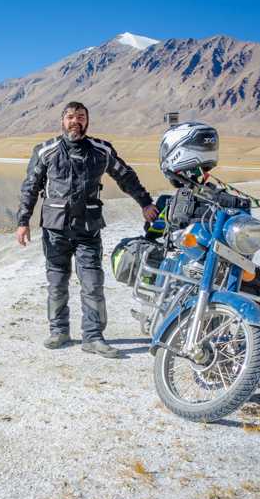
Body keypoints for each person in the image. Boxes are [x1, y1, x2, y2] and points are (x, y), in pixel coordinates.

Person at [16, 102, 159, 358]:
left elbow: (125, 176)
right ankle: (59, 331)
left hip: (88, 229)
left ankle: (93, 337)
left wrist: (145, 203)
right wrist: (22, 221)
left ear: (87, 121)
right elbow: (30, 186)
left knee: (93, 283)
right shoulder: (45, 150)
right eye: (70, 117)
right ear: (62, 121)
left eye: (80, 117)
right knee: (57, 283)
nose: (75, 121)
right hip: (55, 229)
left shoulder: (101, 150)